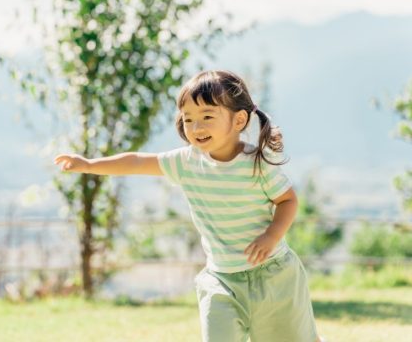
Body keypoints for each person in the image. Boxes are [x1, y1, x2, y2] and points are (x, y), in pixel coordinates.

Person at [54, 70, 322, 342]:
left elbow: (287, 200)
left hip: (273, 275)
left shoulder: (257, 163)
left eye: (207, 116)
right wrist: (88, 165)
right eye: (188, 119)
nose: (196, 127)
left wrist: (271, 236)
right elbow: (136, 161)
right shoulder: (186, 162)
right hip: (222, 279)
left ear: (239, 119)